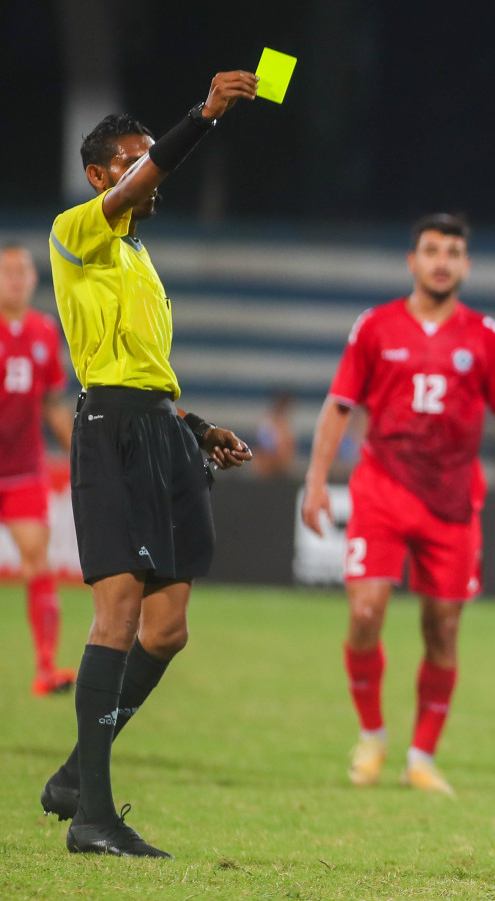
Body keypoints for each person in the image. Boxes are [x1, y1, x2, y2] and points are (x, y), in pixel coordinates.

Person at [37, 76, 259, 859]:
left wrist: (193, 426)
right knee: (119, 612)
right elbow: (110, 375)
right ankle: (92, 817)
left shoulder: (137, 259)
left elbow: (147, 368)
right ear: (102, 177)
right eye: (133, 165)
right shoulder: (76, 232)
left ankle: (72, 777)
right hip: (109, 432)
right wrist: (203, 117)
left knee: (166, 631)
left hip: (161, 431)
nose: (150, 176)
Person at [302, 213, 495, 797]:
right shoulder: (375, 327)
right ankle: (373, 735)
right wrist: (314, 481)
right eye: (431, 250)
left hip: (453, 501)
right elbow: (338, 406)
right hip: (381, 488)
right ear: (413, 261)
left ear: (466, 265)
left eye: (452, 252)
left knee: (443, 627)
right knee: (364, 613)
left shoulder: (486, 335)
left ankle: (422, 756)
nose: (441, 261)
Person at [0, 244, 76, 696]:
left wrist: (80, 455)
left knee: (38, 564)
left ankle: (46, 668)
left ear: (33, 279)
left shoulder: (46, 332)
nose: (15, 278)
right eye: (7, 271)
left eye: (22, 271)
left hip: (24, 471)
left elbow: (53, 406)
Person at [251, 390, 297, 479]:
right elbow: (264, 449)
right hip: (267, 469)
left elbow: (290, 450)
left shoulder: (288, 424)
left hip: (282, 469)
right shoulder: (266, 422)